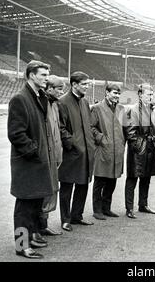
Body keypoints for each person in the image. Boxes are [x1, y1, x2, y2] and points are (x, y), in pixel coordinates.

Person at [8, 60, 53, 259]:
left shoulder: (38, 97)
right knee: (24, 207)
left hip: (37, 162)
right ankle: (21, 245)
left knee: (35, 204)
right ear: (32, 75)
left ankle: (31, 238)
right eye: (43, 75)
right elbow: (16, 134)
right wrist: (34, 152)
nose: (46, 78)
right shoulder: (20, 98)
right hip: (28, 164)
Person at [58, 71, 95, 231]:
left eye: (88, 84)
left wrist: (89, 145)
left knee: (83, 185)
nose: (87, 87)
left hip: (86, 152)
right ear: (74, 84)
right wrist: (73, 144)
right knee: (67, 187)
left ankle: (77, 215)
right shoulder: (62, 102)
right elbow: (60, 128)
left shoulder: (85, 102)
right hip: (71, 153)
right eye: (84, 84)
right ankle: (65, 219)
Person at [91, 83, 126, 220]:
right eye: (114, 93)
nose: (116, 96)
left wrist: (122, 143)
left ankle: (106, 208)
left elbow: (124, 129)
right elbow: (91, 127)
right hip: (103, 150)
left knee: (112, 181)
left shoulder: (121, 109)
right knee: (100, 181)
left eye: (118, 93)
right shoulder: (97, 108)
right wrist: (101, 138)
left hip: (117, 150)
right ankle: (97, 210)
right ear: (107, 93)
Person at [124, 83, 155, 219]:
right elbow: (131, 132)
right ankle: (129, 208)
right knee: (132, 178)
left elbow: (154, 129)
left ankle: (143, 204)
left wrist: (153, 139)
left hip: (149, 147)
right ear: (140, 94)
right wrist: (138, 147)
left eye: (151, 94)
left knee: (146, 177)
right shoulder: (133, 110)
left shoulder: (151, 109)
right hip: (139, 148)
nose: (150, 97)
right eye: (148, 94)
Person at [37, 75, 65, 237]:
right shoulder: (42, 104)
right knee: (43, 192)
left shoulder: (55, 105)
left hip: (55, 155)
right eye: (59, 88)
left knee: (51, 191)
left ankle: (43, 225)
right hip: (45, 156)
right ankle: (37, 228)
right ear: (49, 89)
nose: (62, 91)